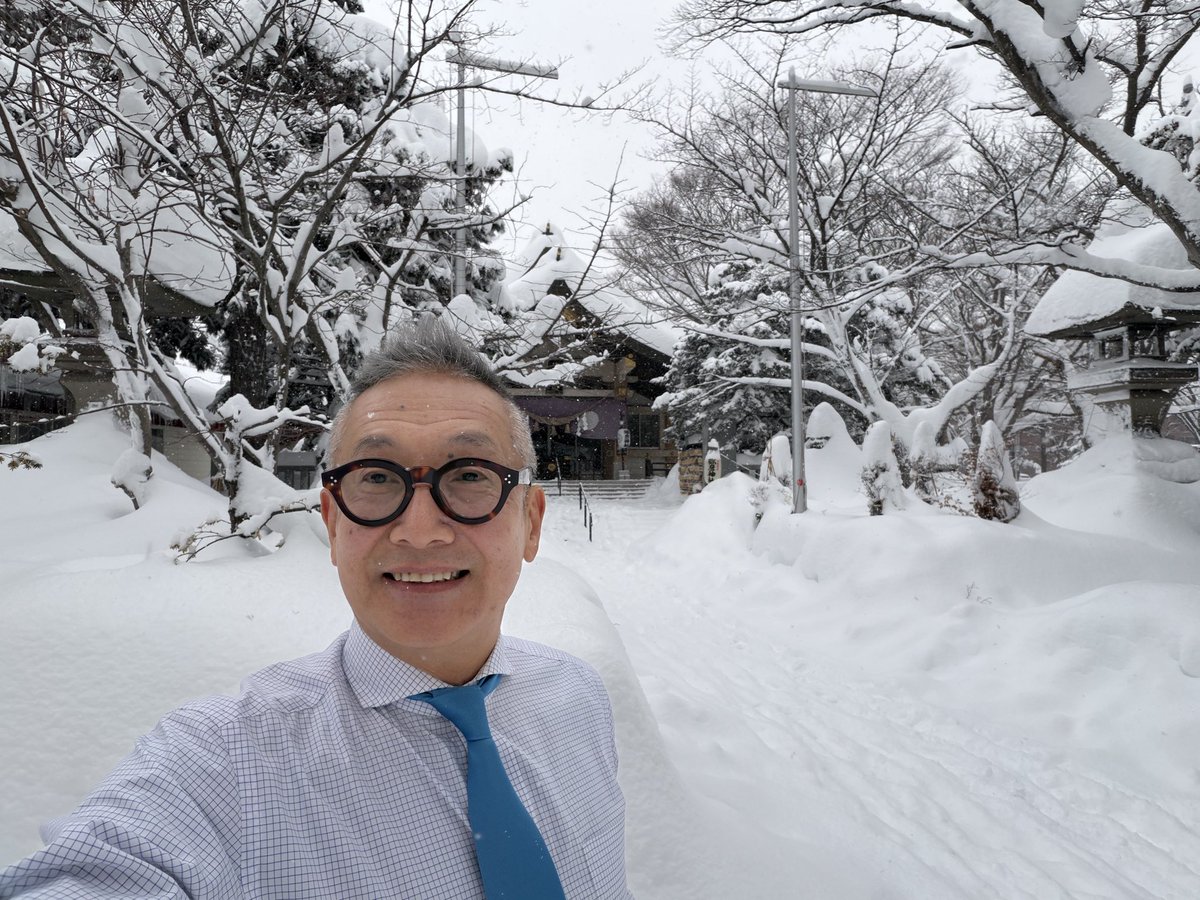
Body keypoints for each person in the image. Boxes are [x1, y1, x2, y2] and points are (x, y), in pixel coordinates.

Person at [0, 317, 632, 899]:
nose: (419, 530)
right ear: (332, 524)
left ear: (530, 523)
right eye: (377, 478)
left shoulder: (577, 698)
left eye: (469, 475)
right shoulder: (227, 764)